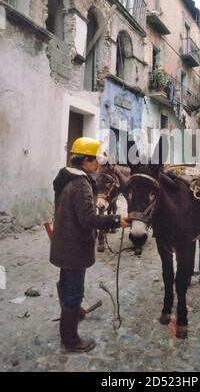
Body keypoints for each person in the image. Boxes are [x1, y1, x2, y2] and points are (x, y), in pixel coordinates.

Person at [50, 137, 130, 353]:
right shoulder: (81, 184)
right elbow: (88, 218)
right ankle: (70, 339)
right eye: (95, 160)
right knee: (74, 291)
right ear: (85, 161)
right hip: (75, 246)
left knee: (66, 283)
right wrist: (115, 220)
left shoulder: (64, 177)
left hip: (63, 242)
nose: (97, 164)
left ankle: (72, 316)